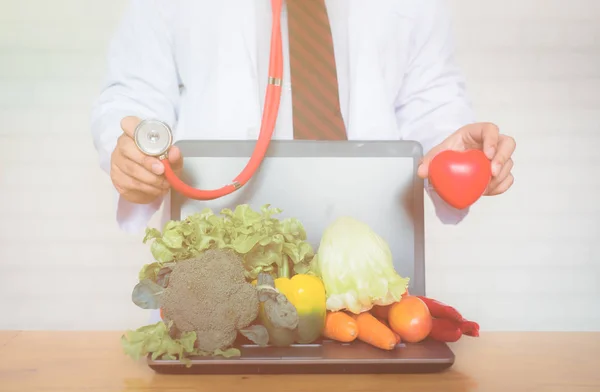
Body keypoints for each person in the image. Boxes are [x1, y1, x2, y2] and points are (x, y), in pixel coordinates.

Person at [91, 0, 516, 234]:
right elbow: (134, 93)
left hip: (365, 247)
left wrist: (456, 155)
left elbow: (431, 101)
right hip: (216, 246)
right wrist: (131, 154)